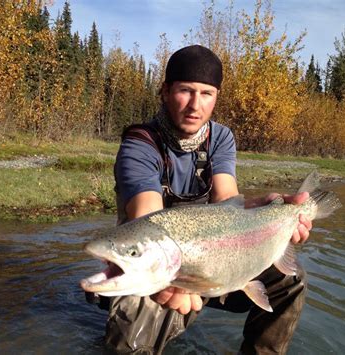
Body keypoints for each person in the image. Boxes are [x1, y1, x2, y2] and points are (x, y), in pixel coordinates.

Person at [87, 44, 312, 354]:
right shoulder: (140, 144)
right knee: (129, 346)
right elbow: (147, 218)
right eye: (185, 91)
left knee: (291, 280)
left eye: (207, 93)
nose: (195, 105)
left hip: (219, 261)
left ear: (216, 96)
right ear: (165, 92)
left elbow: (228, 201)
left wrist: (268, 214)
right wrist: (172, 279)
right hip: (157, 272)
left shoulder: (220, 138)